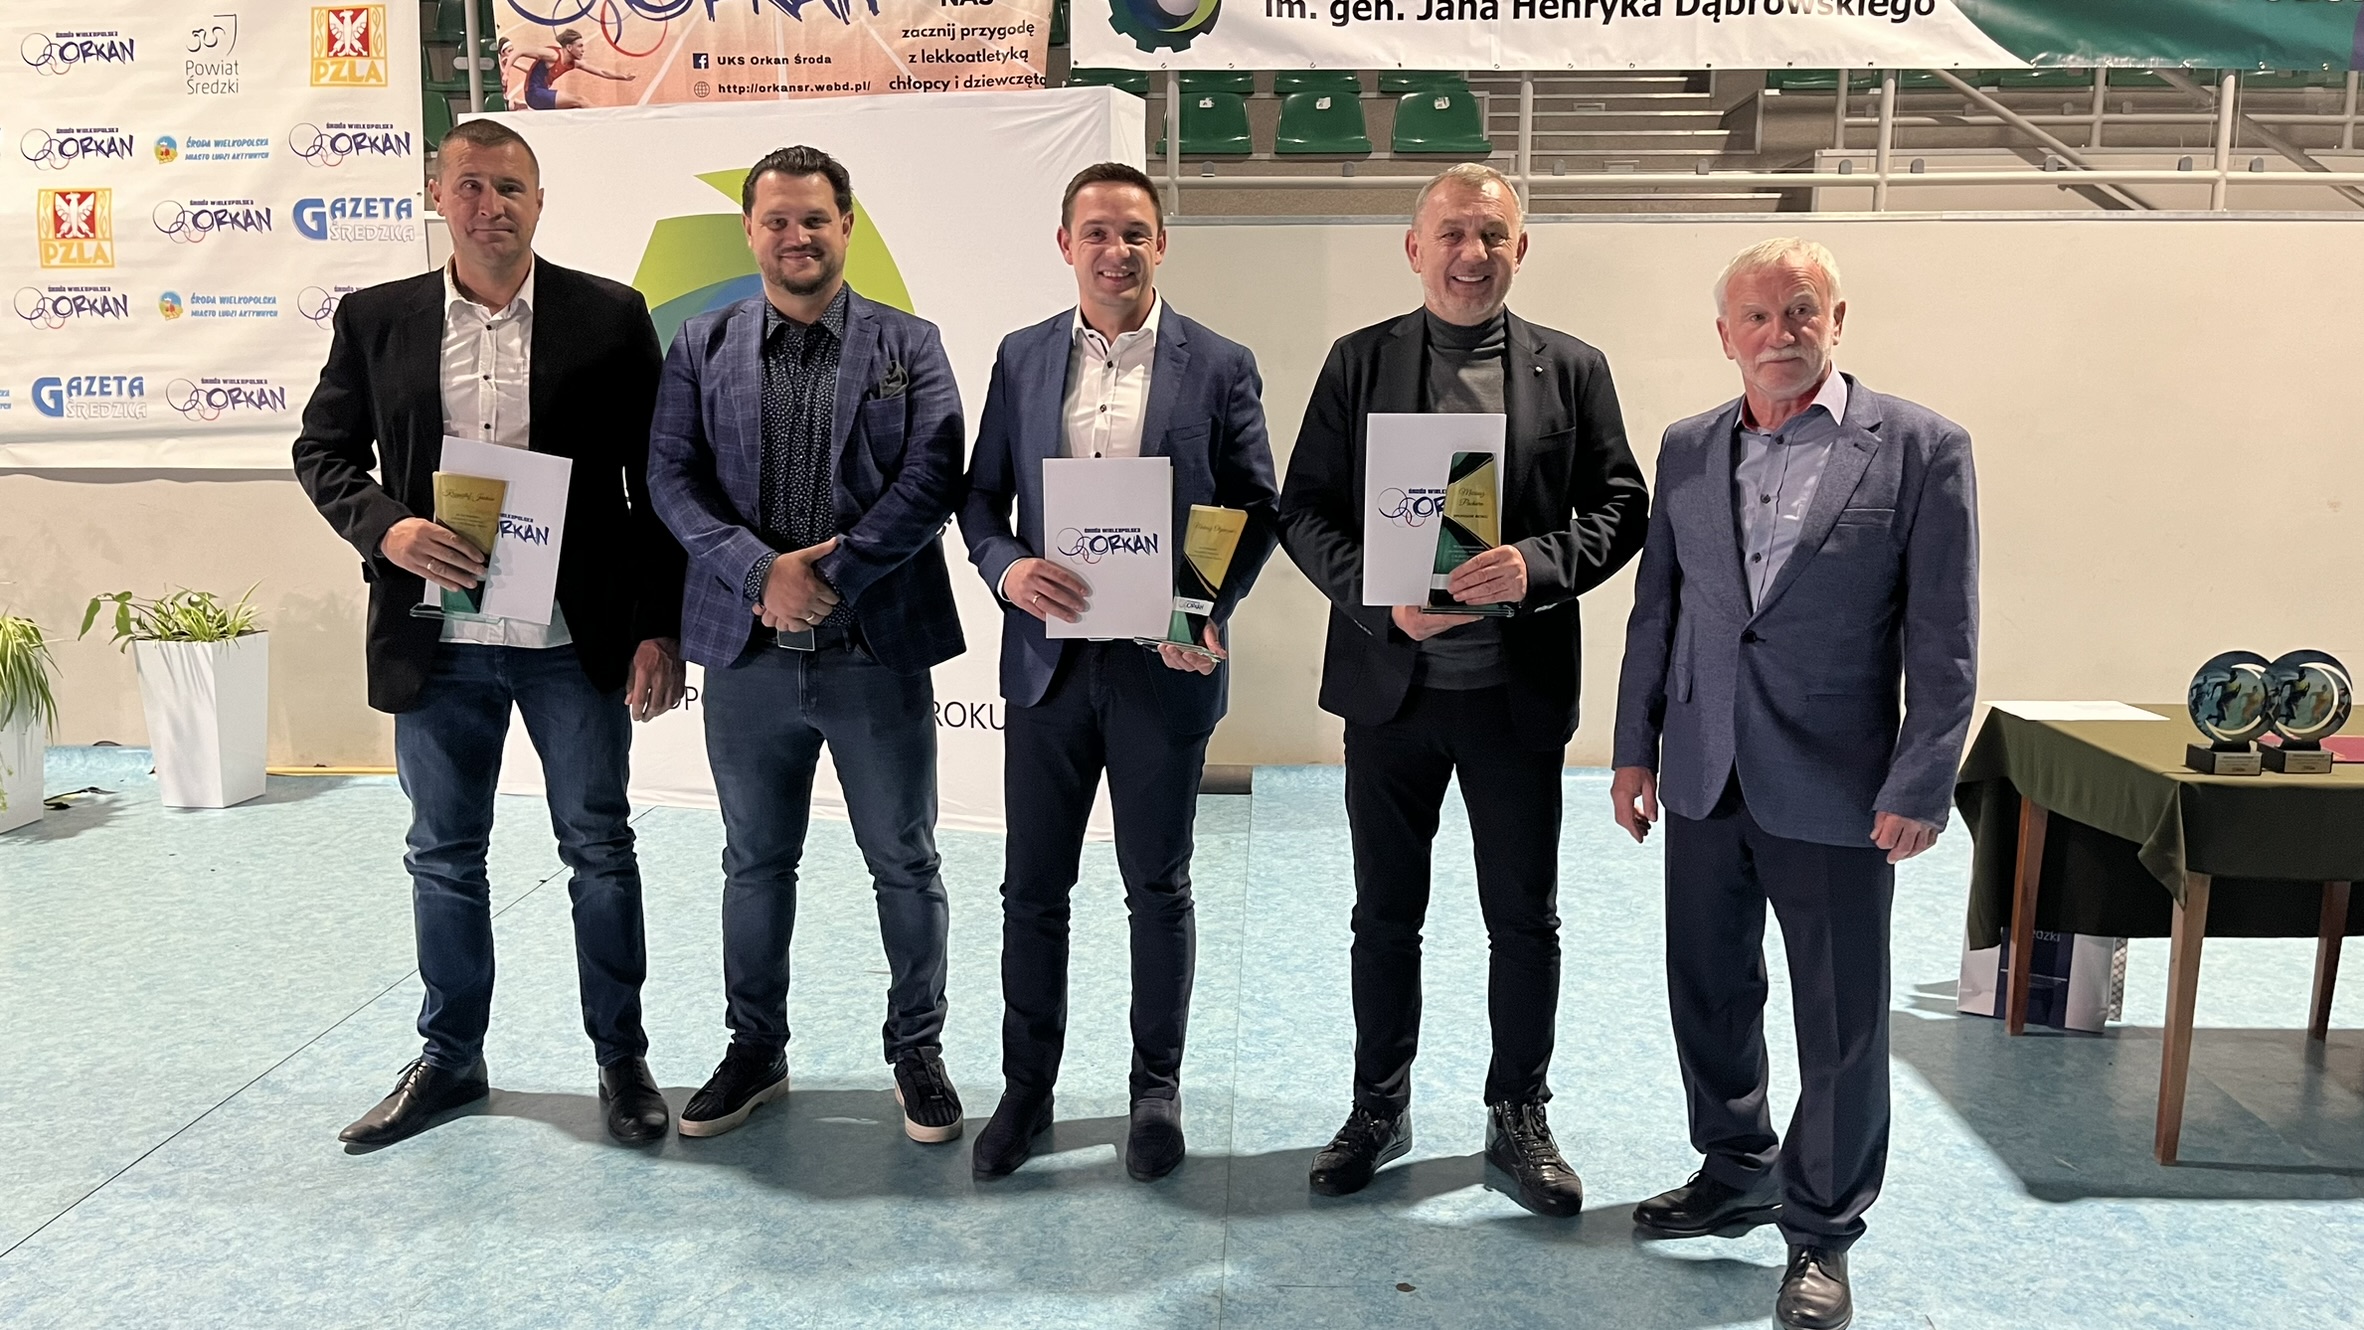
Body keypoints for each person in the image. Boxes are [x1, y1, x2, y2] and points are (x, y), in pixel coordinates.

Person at [291, 118, 686, 1148]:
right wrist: (390, 529)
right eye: (470, 185)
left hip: (570, 640)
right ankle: (451, 1059)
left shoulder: (610, 316)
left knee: (599, 849)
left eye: (510, 187)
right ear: (438, 196)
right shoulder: (376, 319)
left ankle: (622, 1059)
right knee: (443, 854)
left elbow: (656, 483)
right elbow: (322, 451)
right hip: (436, 642)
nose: (490, 205)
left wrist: (658, 627)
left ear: (540, 202)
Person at [1610, 238, 1978, 1330]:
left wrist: (1922, 778)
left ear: (1837, 318)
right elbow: (1658, 610)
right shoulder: (1687, 447)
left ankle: (1822, 1229)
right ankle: (1736, 1167)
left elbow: (1944, 636)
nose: (1780, 335)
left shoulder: (1921, 448)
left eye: (1801, 311)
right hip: (1705, 770)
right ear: (1725, 335)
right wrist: (1634, 748)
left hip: (1840, 783)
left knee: (1841, 1017)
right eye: (1758, 318)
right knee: (1709, 989)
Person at [1276, 163, 1648, 1215]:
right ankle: (1378, 1105)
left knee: (1523, 919)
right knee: (1384, 915)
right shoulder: (1359, 363)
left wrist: (1538, 564)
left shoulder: (1572, 369)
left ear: (1519, 249)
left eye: (1491, 235)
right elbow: (1302, 509)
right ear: (1415, 247)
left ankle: (1518, 1112)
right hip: (1391, 693)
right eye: (1451, 233)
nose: (1470, 254)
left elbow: (1622, 506)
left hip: (1513, 697)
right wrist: (1378, 599)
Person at [957, 162, 1280, 1181]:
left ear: (1161, 244)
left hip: (1161, 670)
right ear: (1066, 244)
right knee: (1032, 891)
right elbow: (980, 500)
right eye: (1096, 231)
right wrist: (1009, 570)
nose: (1116, 250)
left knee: (1158, 885)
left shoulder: (1218, 363)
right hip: (1048, 670)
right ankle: (1027, 1089)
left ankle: (1155, 1090)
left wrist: (1200, 606)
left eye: (1135, 232)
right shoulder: (1021, 357)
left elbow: (1254, 505)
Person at [646, 146, 968, 1146]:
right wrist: (759, 573)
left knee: (904, 860)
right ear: (749, 230)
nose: (798, 236)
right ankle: (756, 1050)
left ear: (847, 226)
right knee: (754, 863)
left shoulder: (910, 344)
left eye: (816, 219)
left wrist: (832, 575)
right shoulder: (699, 344)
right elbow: (670, 477)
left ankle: (917, 1050)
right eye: (778, 219)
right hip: (746, 654)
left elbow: (934, 476)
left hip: (873, 644)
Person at [507, 28, 634, 111]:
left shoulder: (573, 63)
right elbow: (520, 51)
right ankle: (605, 119)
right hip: (535, 94)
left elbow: (601, 72)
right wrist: (505, 73)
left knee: (575, 107)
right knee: (580, 100)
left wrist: (623, 77)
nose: (583, 50)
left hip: (541, 94)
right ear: (569, 47)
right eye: (580, 46)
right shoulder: (553, 55)